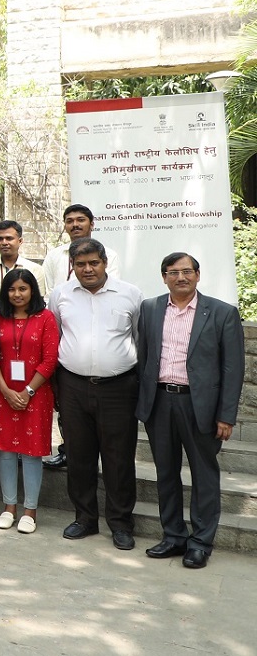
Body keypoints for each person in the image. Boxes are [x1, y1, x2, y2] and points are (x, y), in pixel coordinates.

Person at [135, 253, 244, 569]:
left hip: (202, 407)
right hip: (160, 403)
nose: (180, 277)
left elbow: (232, 368)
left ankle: (200, 543)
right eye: (173, 272)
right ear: (164, 277)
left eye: (187, 271)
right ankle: (173, 536)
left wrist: (226, 414)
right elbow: (144, 357)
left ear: (198, 275)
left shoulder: (222, 313)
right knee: (165, 472)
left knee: (204, 475)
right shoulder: (151, 309)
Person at [48, 237, 143, 550]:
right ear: (72, 266)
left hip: (119, 388)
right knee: (79, 456)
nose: (87, 269)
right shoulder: (60, 295)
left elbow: (140, 339)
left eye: (93, 263)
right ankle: (85, 518)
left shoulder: (130, 294)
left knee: (118, 458)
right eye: (80, 264)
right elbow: (57, 337)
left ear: (104, 263)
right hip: (73, 386)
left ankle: (120, 523)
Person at [0, 269, 58, 535]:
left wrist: (28, 391)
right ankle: (9, 507)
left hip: (37, 395)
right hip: (3, 393)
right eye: (11, 289)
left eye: (23, 289)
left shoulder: (46, 318)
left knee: (31, 452)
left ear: (33, 290)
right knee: (6, 451)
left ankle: (30, 511)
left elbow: (50, 359)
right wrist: (7, 391)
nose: (17, 294)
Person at [42, 203, 124, 289]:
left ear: (92, 225)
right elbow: (49, 294)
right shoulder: (53, 256)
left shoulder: (109, 255)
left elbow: (113, 288)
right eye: (70, 221)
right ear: (65, 226)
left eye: (80, 220)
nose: (75, 225)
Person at [0, 220, 48, 308]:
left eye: (9, 238)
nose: (4, 243)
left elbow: (37, 301)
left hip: (25, 321)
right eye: (0, 239)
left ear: (20, 241)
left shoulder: (34, 269)